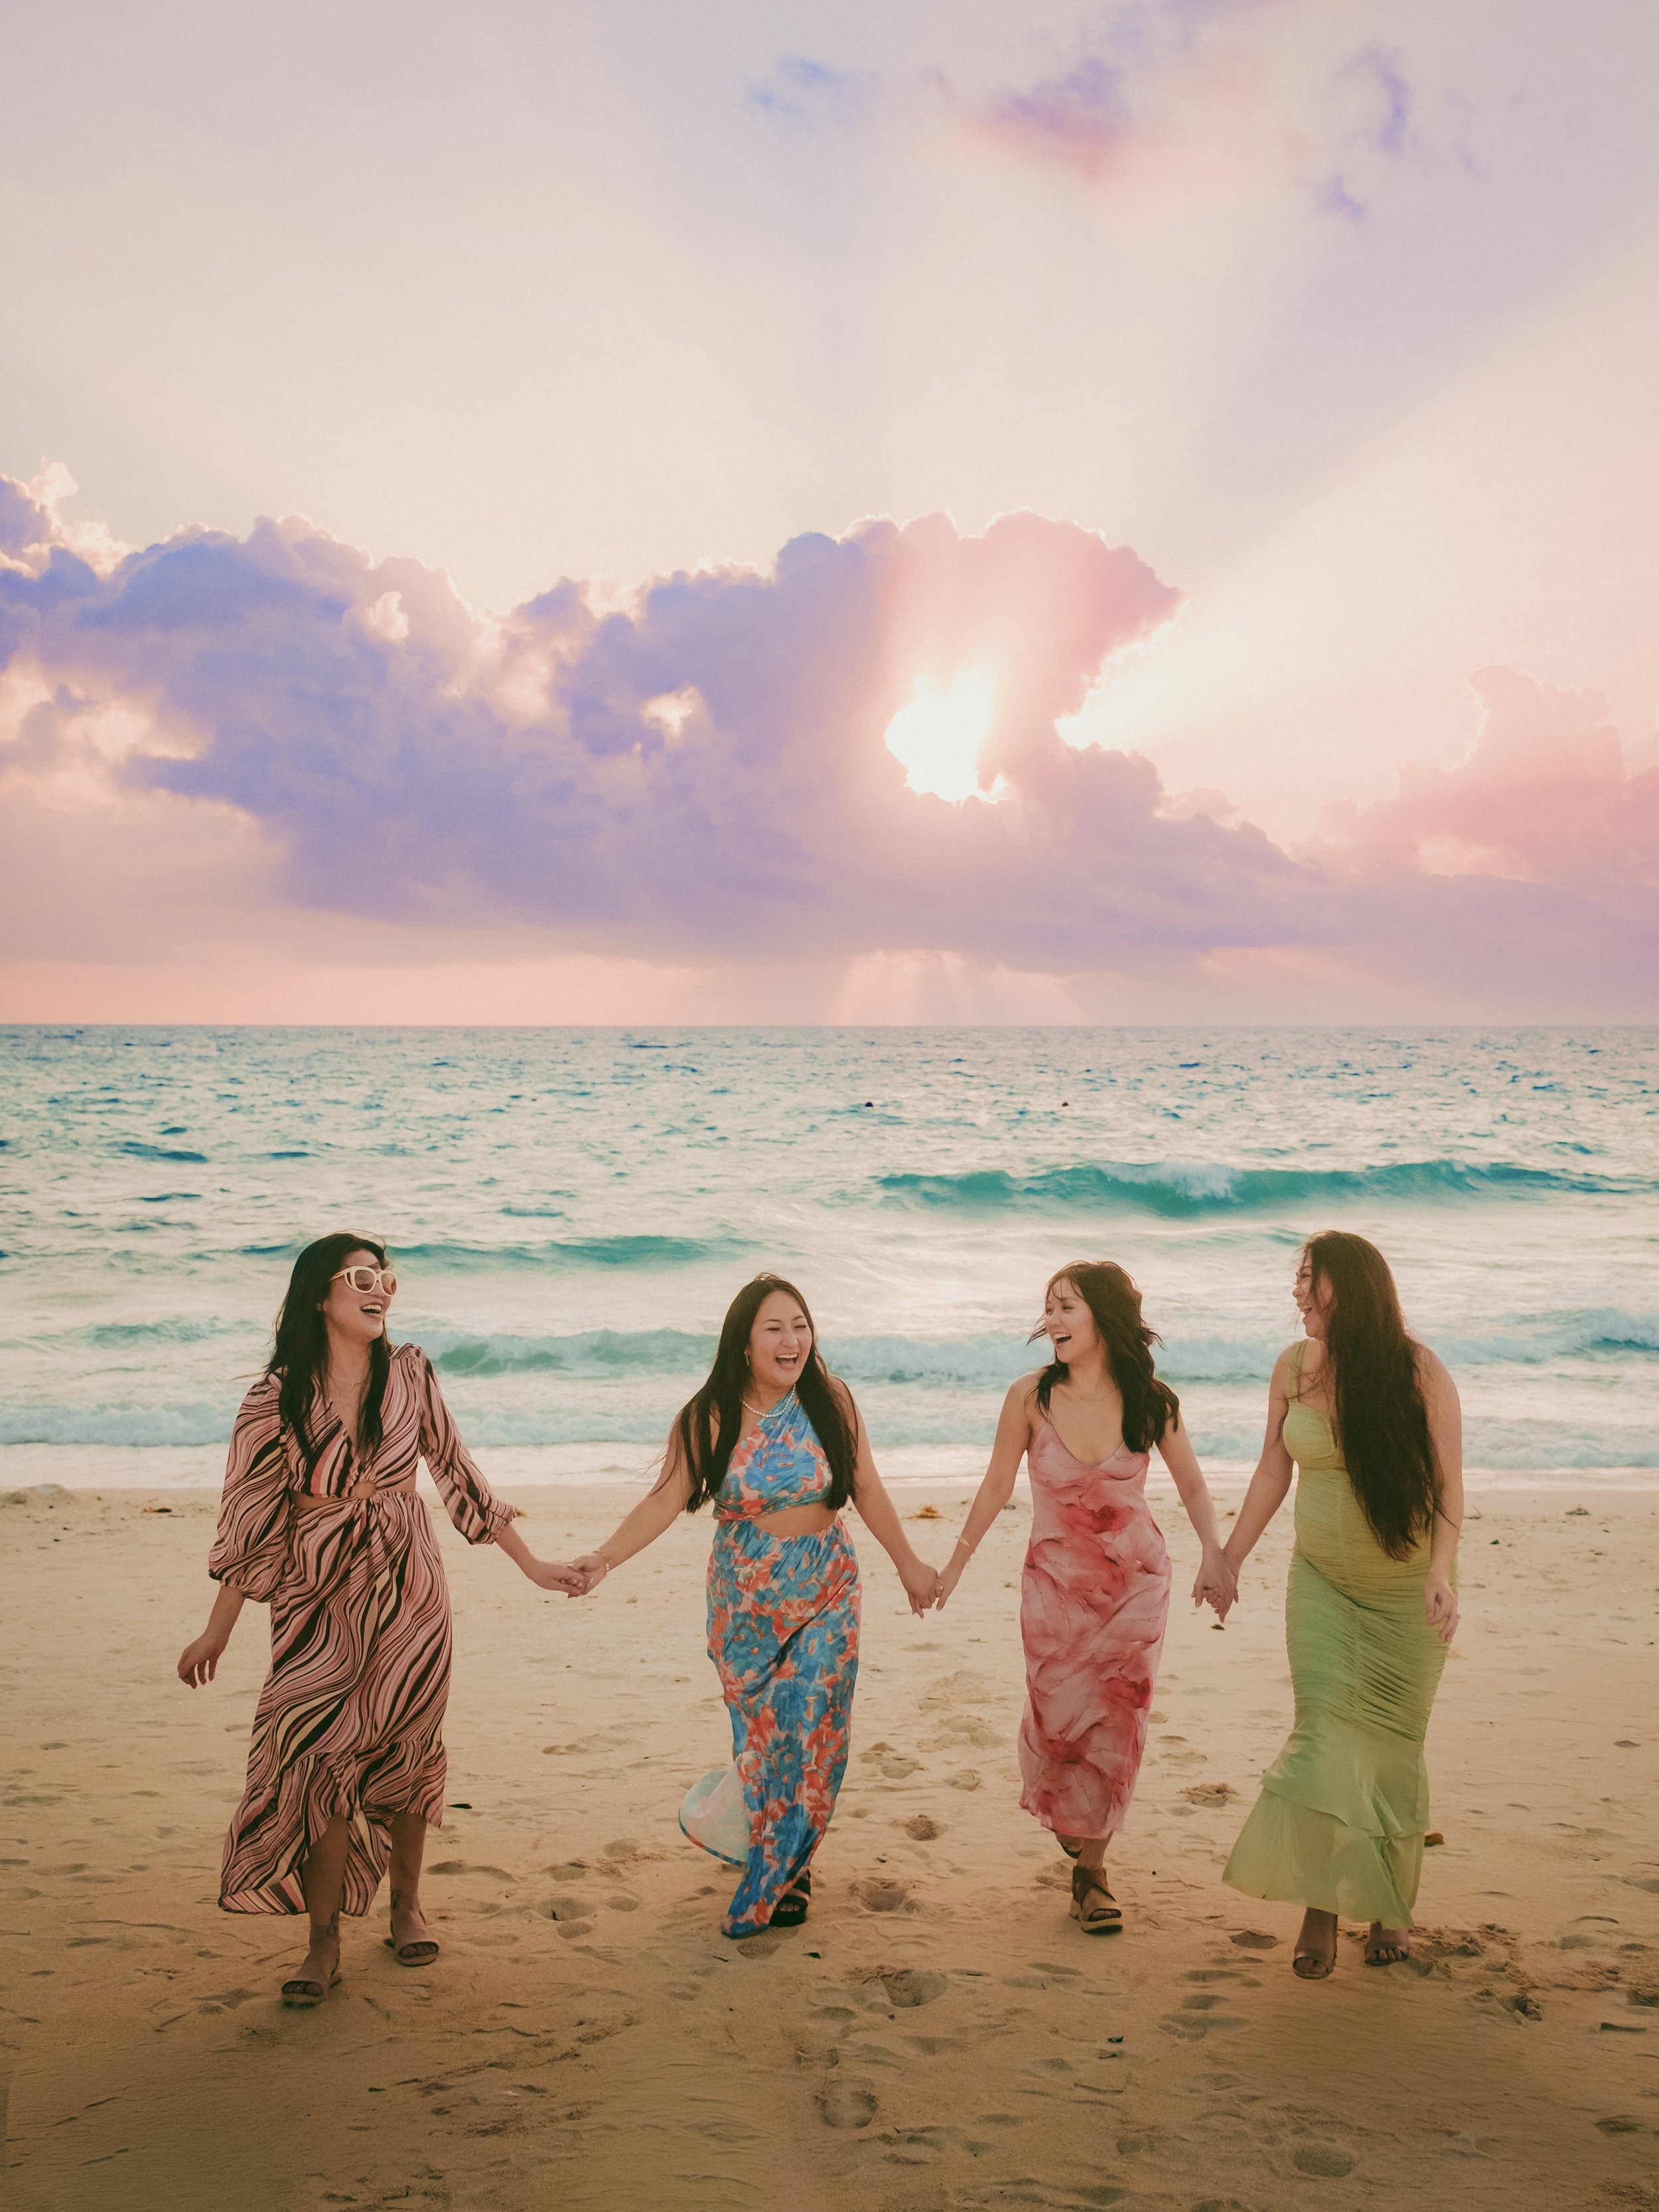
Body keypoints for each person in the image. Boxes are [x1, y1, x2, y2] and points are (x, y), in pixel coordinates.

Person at [177, 1234, 579, 2006]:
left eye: (387, 1277)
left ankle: (405, 1906)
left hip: (408, 1579)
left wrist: (531, 1564)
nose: (381, 1289)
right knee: (319, 1750)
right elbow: (251, 1519)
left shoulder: (412, 1371)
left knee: (407, 1742)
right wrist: (219, 1627)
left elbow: (457, 1472)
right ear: (320, 1297)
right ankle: (322, 1938)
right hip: (315, 1587)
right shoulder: (274, 1397)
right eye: (362, 1277)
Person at [562, 1274, 940, 1937]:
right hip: (745, 1607)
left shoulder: (832, 1400)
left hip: (827, 1588)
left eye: (800, 1324)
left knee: (815, 1728)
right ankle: (773, 1846)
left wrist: (907, 1562)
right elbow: (664, 1497)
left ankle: (789, 1870)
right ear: (743, 1342)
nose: (792, 1340)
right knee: (765, 1742)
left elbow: (867, 1485)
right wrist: (606, 1556)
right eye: (775, 1327)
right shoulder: (710, 1415)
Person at [937, 1262, 1235, 1932]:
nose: (1052, 1321)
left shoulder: (1152, 1400)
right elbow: (993, 1488)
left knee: (1119, 1726)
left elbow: (1191, 1487)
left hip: (1135, 1589)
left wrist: (1214, 1552)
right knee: (1054, 1723)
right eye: (1047, 1308)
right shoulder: (1029, 1399)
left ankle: (1092, 1874)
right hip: (1054, 1594)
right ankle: (1070, 1823)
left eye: (1065, 1307)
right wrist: (954, 1565)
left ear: (1102, 1317)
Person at [1220, 1230, 1461, 1978]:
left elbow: (1450, 1488)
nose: (1297, 1292)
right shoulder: (1292, 1368)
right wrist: (1229, 1557)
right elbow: (1272, 1467)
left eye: (1309, 1281)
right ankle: (1321, 1905)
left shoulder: (1417, 1370)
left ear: (1350, 1290)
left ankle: (1389, 1907)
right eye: (1297, 1279)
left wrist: (1441, 1574)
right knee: (1324, 1732)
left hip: (1402, 1589)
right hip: (1320, 1582)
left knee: (1389, 1750)